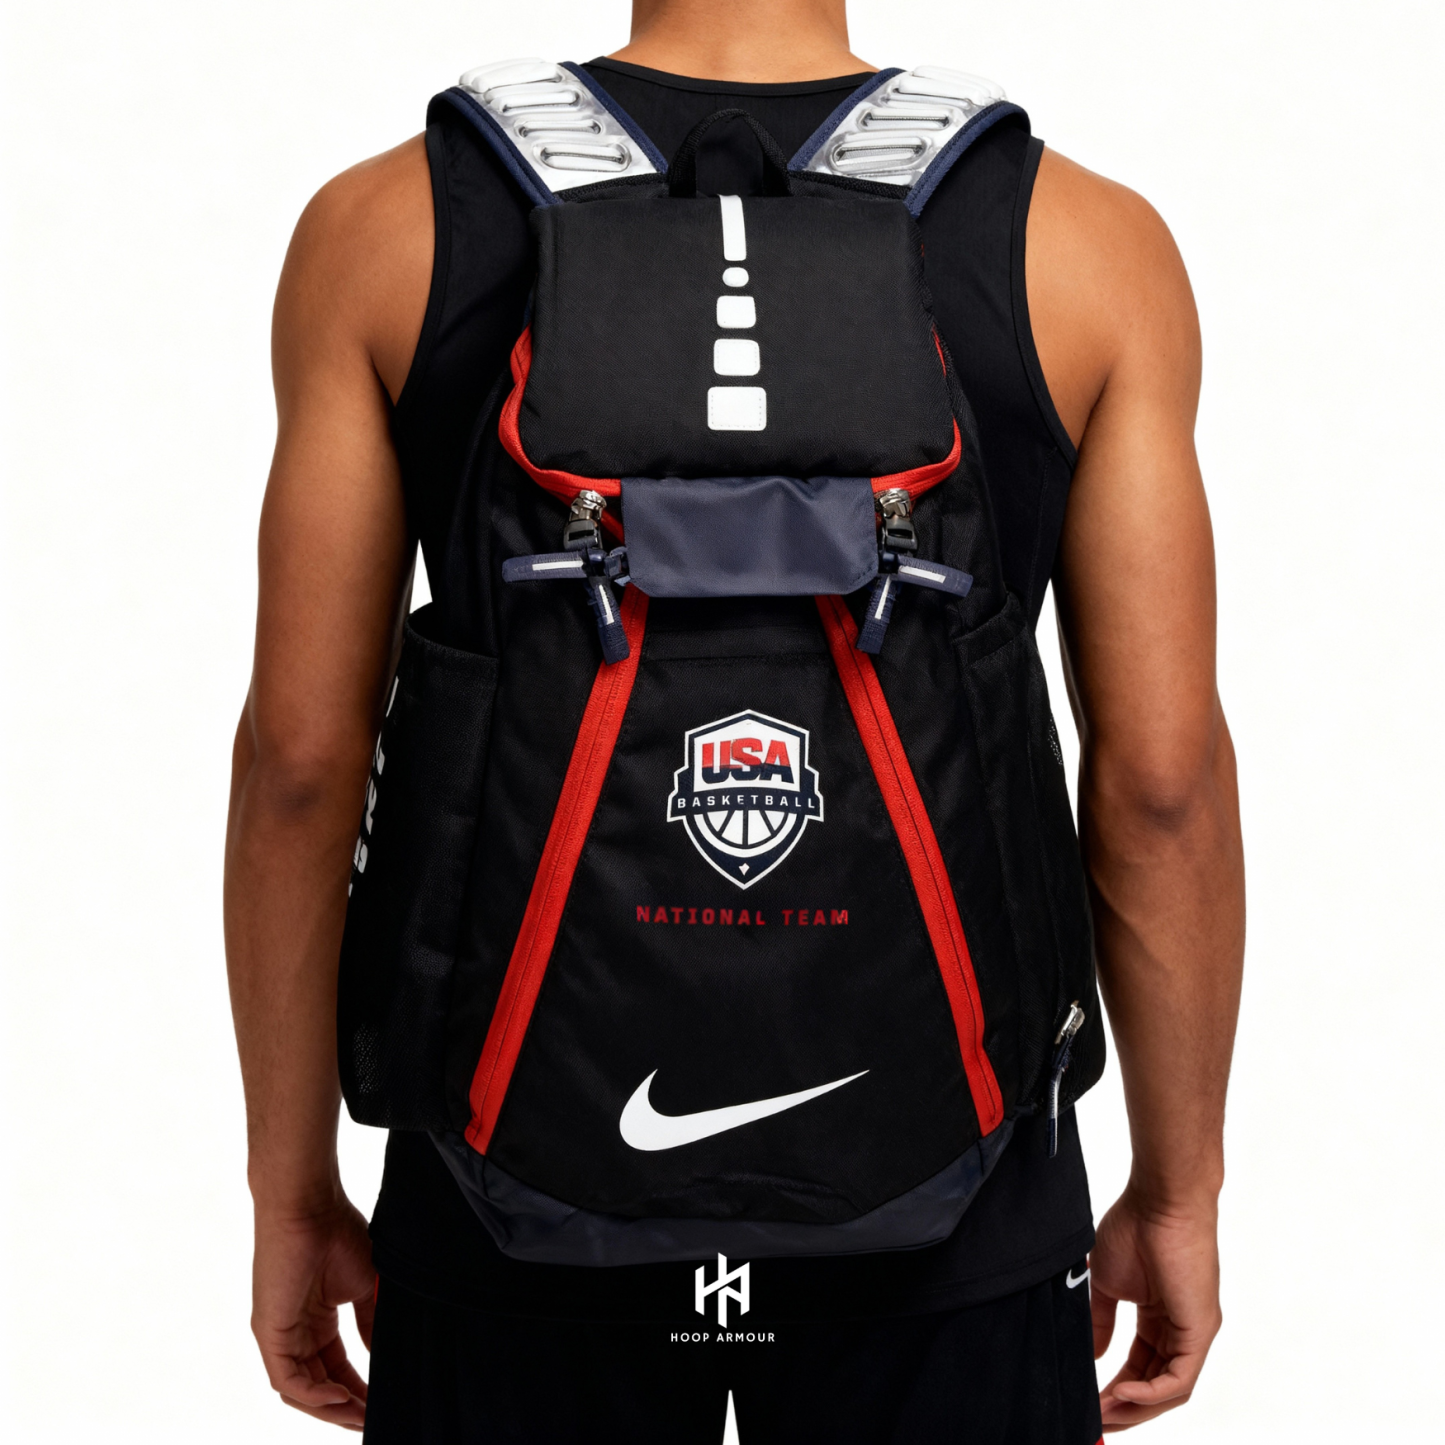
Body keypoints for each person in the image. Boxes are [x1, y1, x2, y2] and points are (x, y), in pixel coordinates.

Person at [224, 1, 1245, 1438]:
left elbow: (300, 765)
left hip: (504, 1197)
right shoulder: (1083, 244)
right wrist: (1181, 1190)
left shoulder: (386, 229)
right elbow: (1160, 785)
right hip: (959, 1211)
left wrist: (290, 1193)